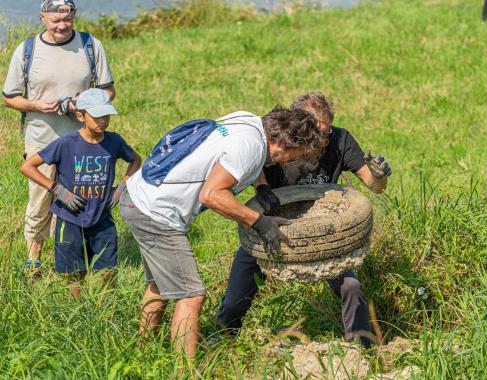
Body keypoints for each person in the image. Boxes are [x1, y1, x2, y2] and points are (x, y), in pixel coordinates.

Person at [119, 107, 328, 362]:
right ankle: (185, 372)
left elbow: (238, 157)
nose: (289, 163)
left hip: (138, 195)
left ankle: (140, 352)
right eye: (294, 156)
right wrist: (259, 222)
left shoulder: (250, 122)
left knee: (160, 285)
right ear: (285, 143)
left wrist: (261, 186)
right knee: (192, 296)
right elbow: (213, 195)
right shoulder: (250, 148)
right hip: (157, 213)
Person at [216, 93, 392, 347]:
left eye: (327, 130)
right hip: (271, 227)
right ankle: (222, 342)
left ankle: (363, 350)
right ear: (300, 127)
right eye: (318, 132)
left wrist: (379, 175)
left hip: (325, 235)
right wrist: (262, 187)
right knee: (236, 296)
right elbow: (255, 162)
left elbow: (375, 186)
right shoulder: (280, 140)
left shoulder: (340, 140)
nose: (324, 138)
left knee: (351, 287)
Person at [2, 0, 115, 278]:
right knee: (41, 198)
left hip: (84, 141)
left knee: (75, 200)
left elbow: (108, 91)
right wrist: (37, 106)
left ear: (73, 16)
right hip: (42, 139)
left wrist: (83, 103)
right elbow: (9, 98)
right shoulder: (27, 50)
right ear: (43, 18)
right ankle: (34, 260)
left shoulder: (91, 45)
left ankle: (67, 260)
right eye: (55, 20)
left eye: (67, 19)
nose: (62, 25)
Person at [20, 88, 141, 299]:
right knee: (74, 272)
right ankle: (79, 308)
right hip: (70, 218)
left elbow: (135, 160)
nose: (103, 121)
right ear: (80, 115)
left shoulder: (114, 141)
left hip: (102, 215)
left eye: (106, 115)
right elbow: (28, 166)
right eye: (97, 116)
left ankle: (106, 309)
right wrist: (57, 189)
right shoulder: (66, 143)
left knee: (108, 270)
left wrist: (122, 187)